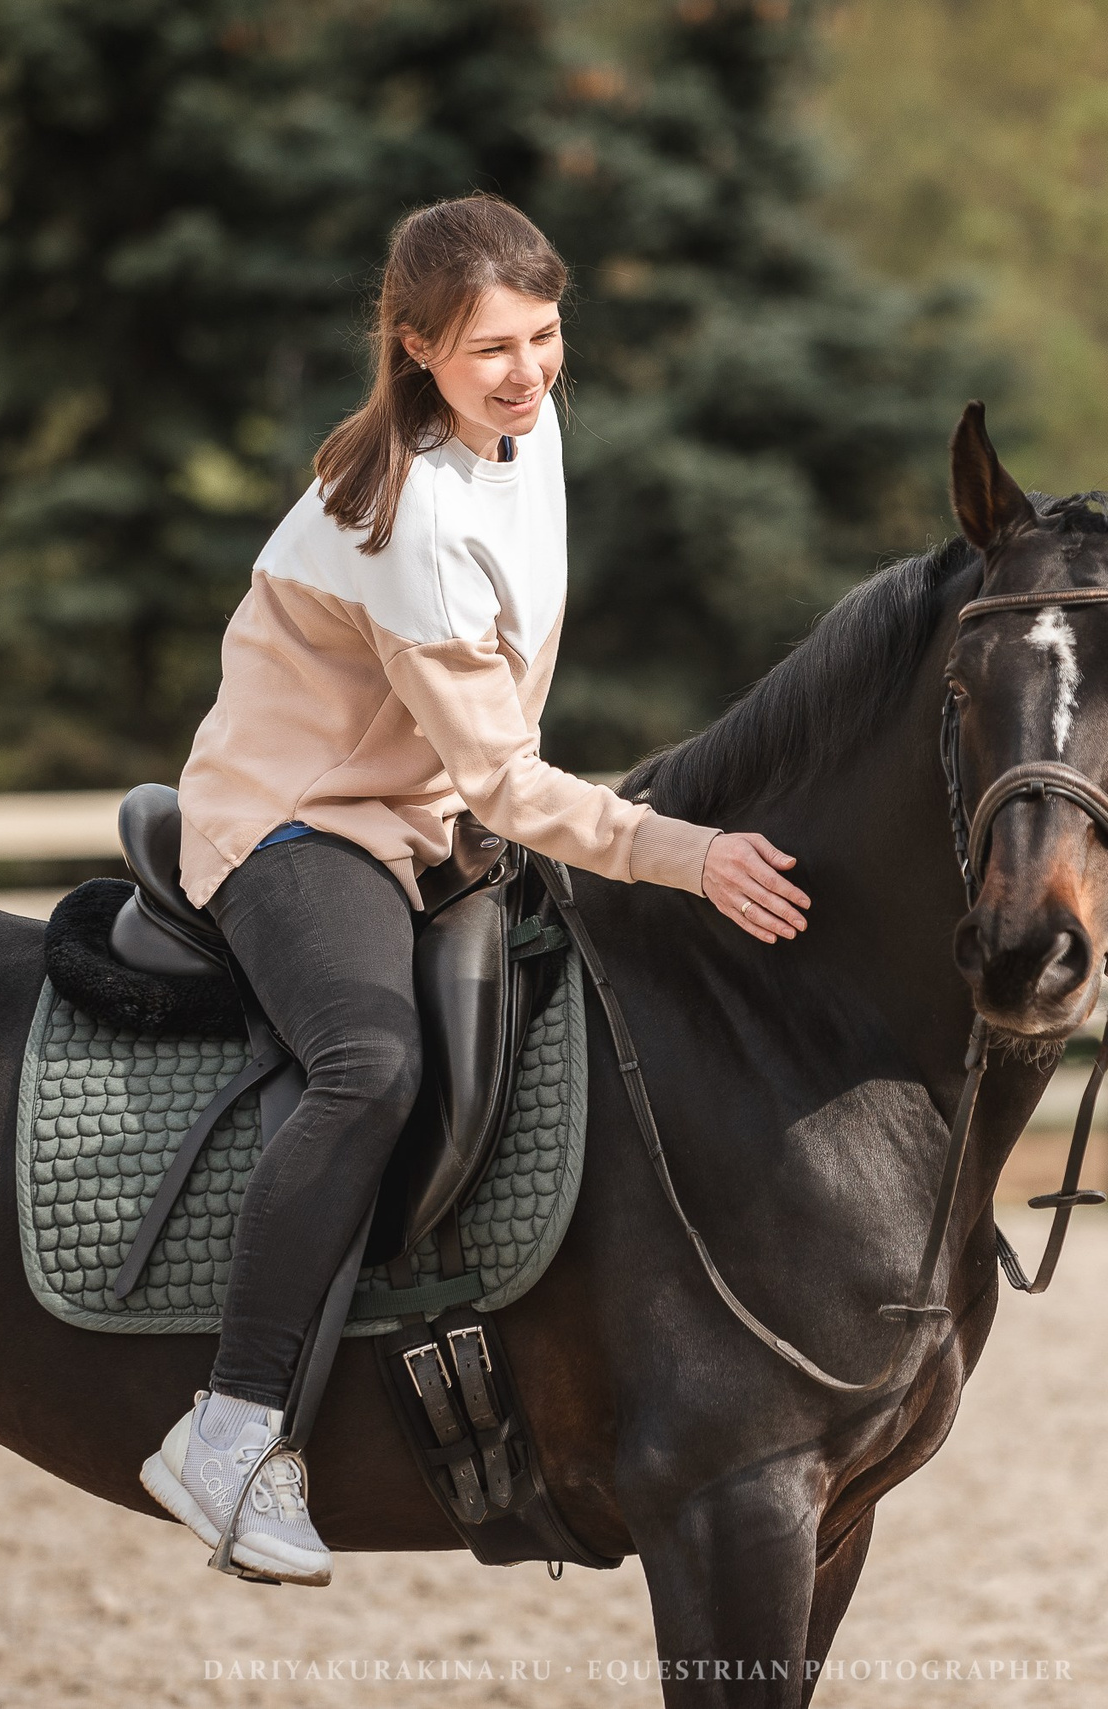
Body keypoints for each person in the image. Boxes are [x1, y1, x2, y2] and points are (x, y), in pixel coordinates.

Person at [138, 194, 813, 1585]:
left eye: (545, 334)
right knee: (371, 1063)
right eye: (491, 347)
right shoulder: (414, 518)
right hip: (300, 821)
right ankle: (230, 1426)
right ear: (416, 347)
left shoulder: (526, 430)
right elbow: (507, 779)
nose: (527, 370)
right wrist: (688, 852)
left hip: (425, 810)